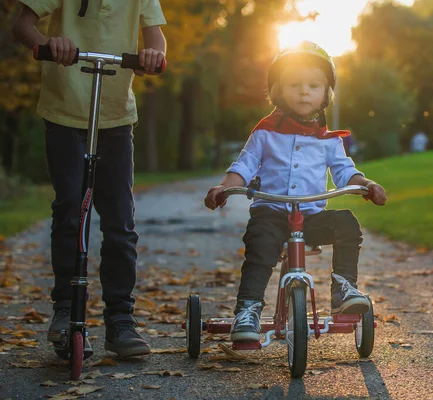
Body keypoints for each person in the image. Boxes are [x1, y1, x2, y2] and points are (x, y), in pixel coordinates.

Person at [12, 0, 167, 358]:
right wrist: (51, 44)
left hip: (115, 114)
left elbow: (156, 39)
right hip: (65, 109)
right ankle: (66, 309)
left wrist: (151, 56)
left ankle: (120, 319)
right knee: (69, 207)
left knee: (120, 221)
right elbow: (22, 24)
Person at [204, 41, 387, 342]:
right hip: (271, 215)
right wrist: (224, 188)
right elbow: (245, 166)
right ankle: (247, 311)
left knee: (346, 223)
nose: (304, 91)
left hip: (311, 217)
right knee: (260, 247)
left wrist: (366, 185)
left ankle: (343, 289)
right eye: (295, 84)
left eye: (313, 85)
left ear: (326, 93)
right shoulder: (265, 132)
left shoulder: (329, 140)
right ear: (278, 90)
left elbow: (344, 171)